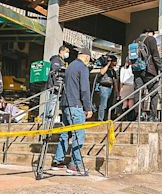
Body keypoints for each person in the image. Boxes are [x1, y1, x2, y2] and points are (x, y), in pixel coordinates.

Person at [52, 47, 93, 175]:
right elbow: (85, 90)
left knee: (65, 134)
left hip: (65, 104)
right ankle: (75, 165)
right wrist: (88, 108)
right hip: (75, 105)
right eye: (89, 59)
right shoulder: (83, 68)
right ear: (86, 57)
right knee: (78, 135)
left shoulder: (70, 66)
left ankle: (58, 161)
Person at [132, 29, 162, 121]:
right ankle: (153, 116)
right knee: (153, 92)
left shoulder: (135, 41)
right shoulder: (151, 39)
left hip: (137, 70)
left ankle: (138, 116)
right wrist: (161, 68)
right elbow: (155, 55)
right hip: (149, 71)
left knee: (138, 93)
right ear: (150, 33)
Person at [45, 45, 69, 120]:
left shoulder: (62, 61)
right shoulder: (56, 59)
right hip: (54, 84)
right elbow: (55, 71)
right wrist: (56, 84)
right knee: (52, 100)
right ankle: (47, 117)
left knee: (55, 102)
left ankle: (51, 117)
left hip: (60, 85)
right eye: (66, 52)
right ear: (61, 51)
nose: (67, 54)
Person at [97, 55, 119, 121]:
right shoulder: (104, 67)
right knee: (103, 105)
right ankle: (100, 119)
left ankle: (107, 118)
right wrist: (108, 64)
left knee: (109, 104)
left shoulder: (113, 70)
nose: (116, 63)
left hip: (110, 88)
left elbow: (114, 81)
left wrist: (117, 91)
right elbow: (102, 72)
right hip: (104, 87)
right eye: (115, 61)